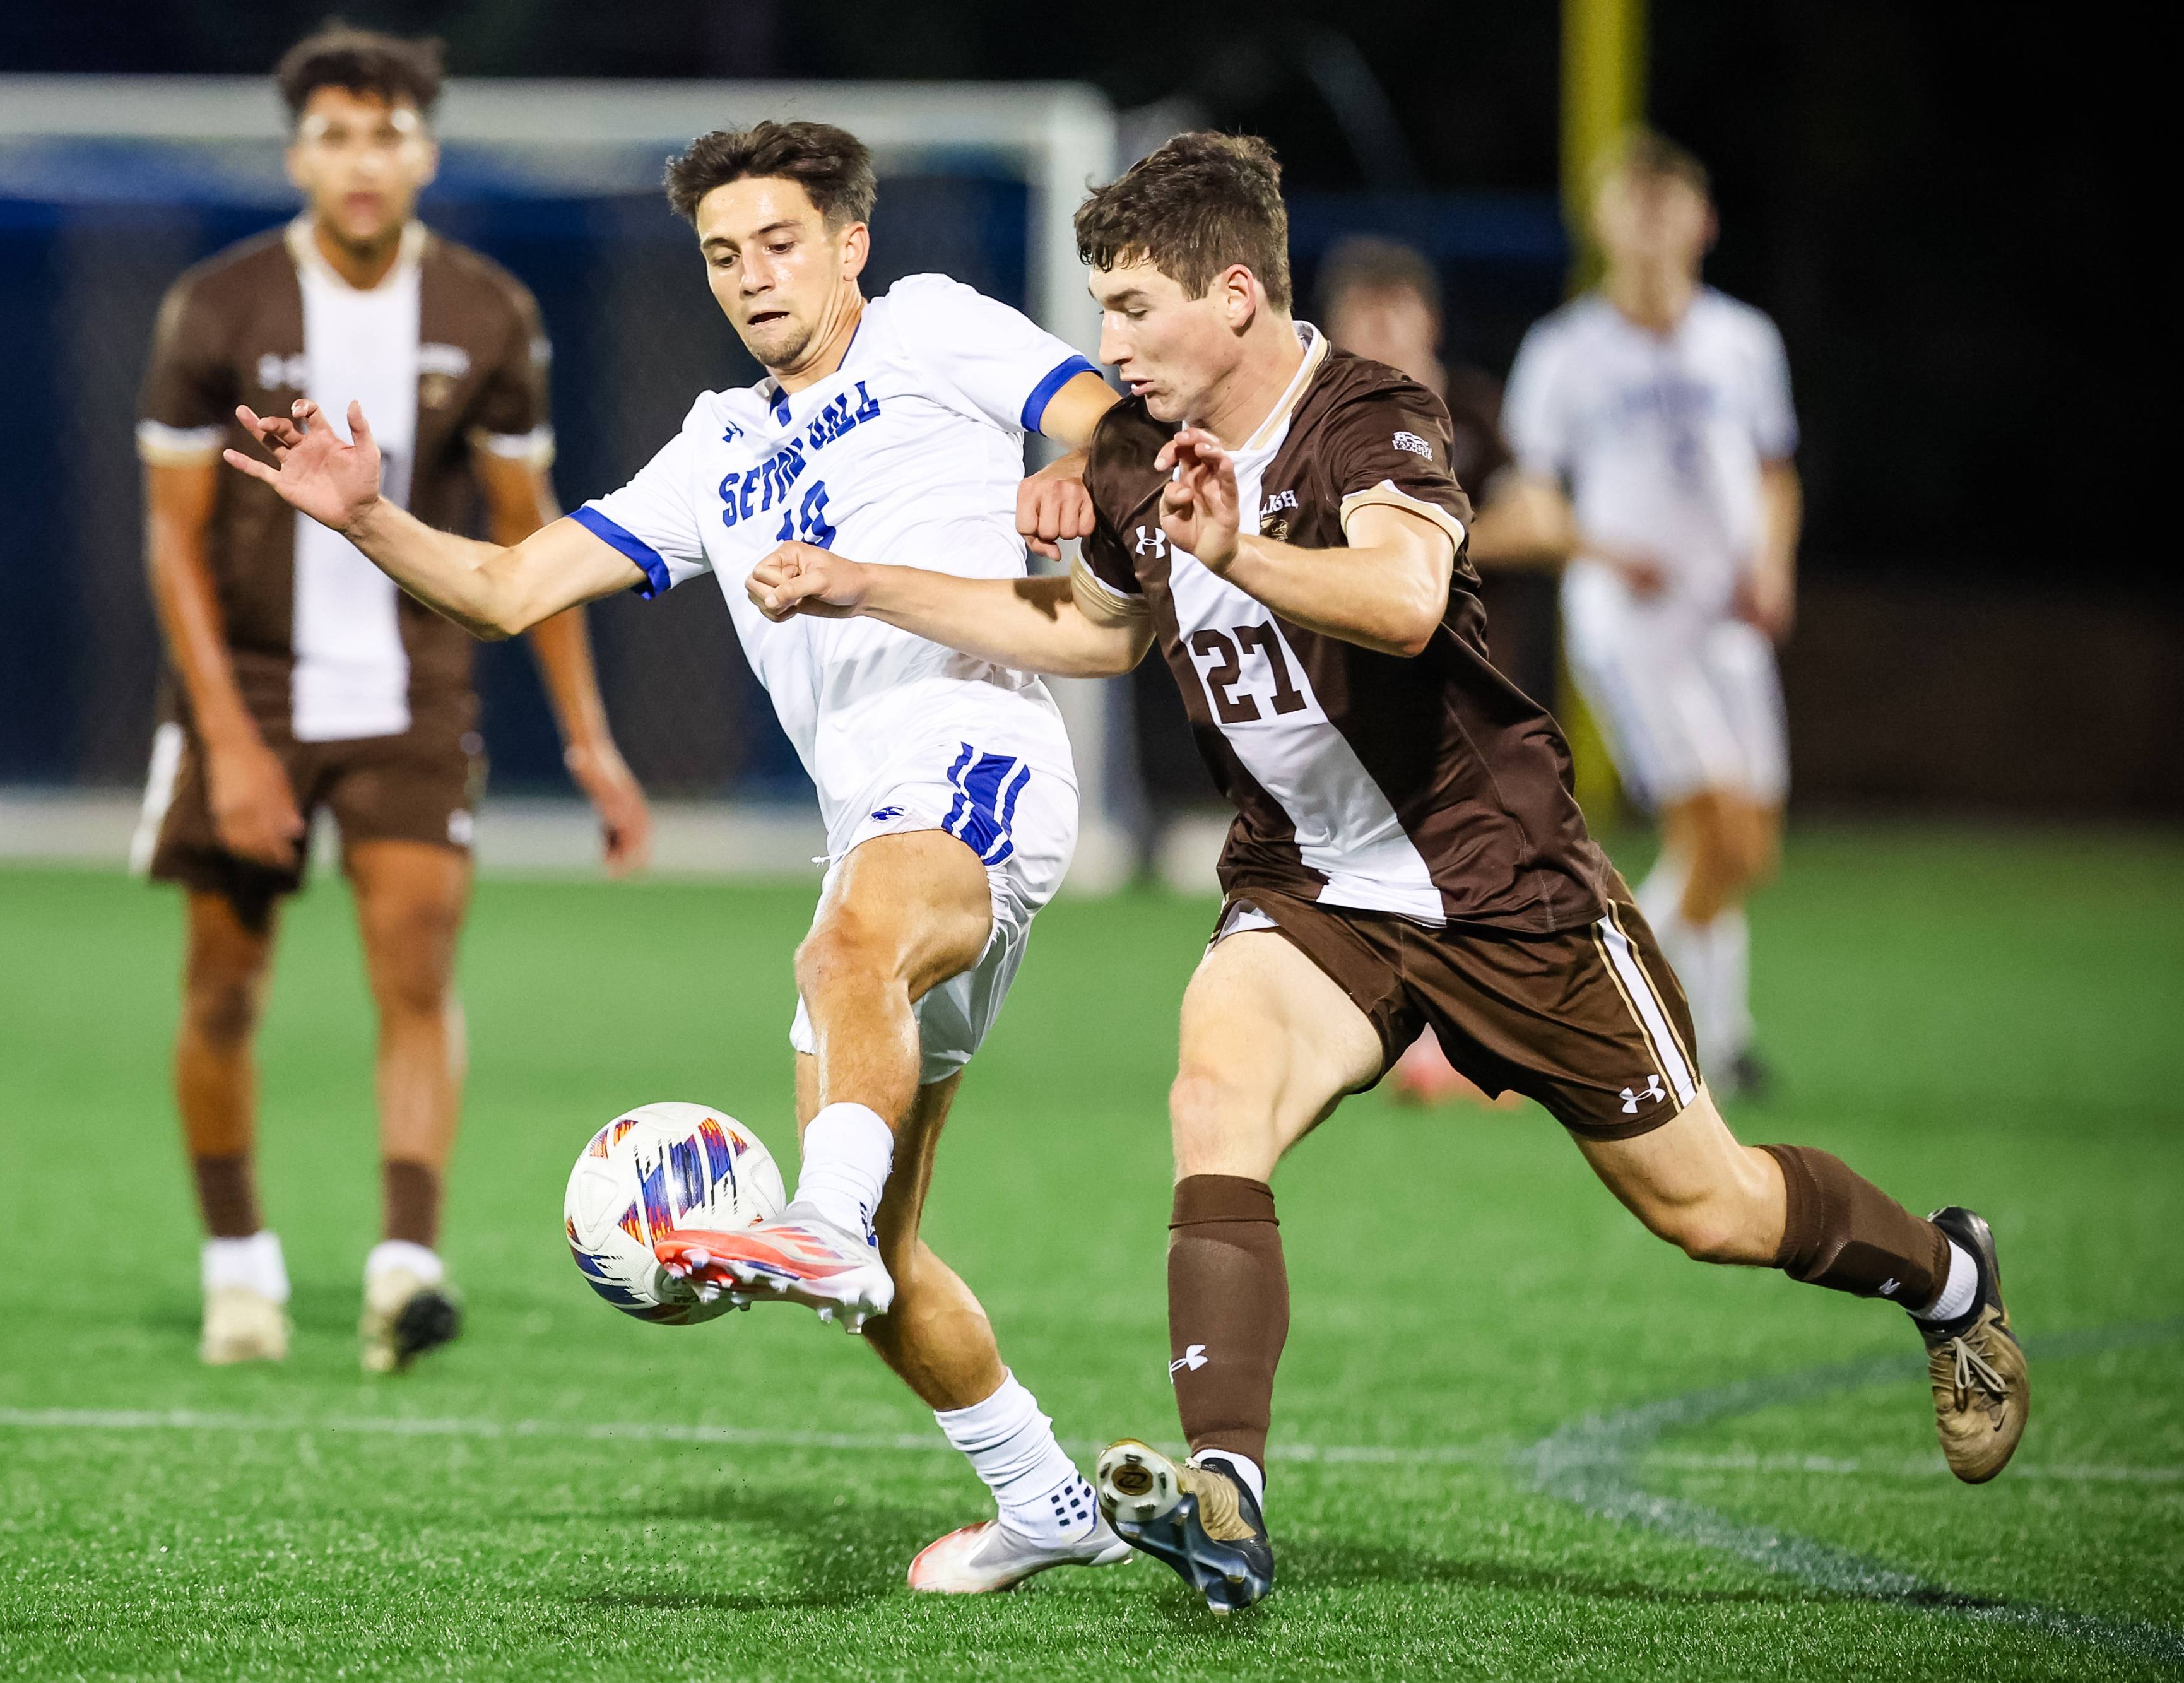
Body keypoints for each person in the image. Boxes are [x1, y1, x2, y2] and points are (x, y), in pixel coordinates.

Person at [740, 131, 2025, 1614]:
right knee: (1210, 1093)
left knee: (1711, 1206)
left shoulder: (1367, 411)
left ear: (1234, 297)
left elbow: (1407, 602)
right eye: (1100, 308)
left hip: (1495, 880)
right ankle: (1227, 1489)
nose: (1109, 346)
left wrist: (1242, 549)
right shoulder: (1128, 454)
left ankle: (1946, 1276)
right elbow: (1095, 631)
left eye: (1133, 308)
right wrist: (860, 581)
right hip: (1306, 880)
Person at [222, 120, 1134, 1593]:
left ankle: (815, 1218)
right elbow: (514, 587)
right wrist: (367, 516)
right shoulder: (718, 444)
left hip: (979, 758)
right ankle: (1042, 1496)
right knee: (889, 1265)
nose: (751, 277)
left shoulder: (929, 327)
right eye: (722, 255)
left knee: (840, 956)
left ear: (849, 244)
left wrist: (1078, 473)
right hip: (870, 825)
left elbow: (1101, 410)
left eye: (779, 243)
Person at [133, 25, 652, 1374]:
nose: (362, 161)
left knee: (415, 975)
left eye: (387, 134)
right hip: (246, 693)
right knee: (224, 989)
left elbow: (534, 542)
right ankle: (237, 1266)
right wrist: (228, 740)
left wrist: (592, 743)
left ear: (424, 149)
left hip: (417, 694)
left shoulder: (486, 313)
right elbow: (170, 542)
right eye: (335, 135)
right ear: (298, 151)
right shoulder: (218, 307)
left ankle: (404, 1263)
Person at [1501, 131, 1800, 1097]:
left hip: (1726, 617)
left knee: (1745, 846)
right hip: (1629, 620)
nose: (1651, 225)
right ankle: (1570, 1014)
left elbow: (1773, 469)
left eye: (1668, 204)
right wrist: (1602, 551)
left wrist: (1773, 563)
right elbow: (1534, 496)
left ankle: (1712, 1030)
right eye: (1633, 204)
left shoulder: (1745, 341)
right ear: (1602, 222)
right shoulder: (1566, 350)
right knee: (1709, 829)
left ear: (1702, 221)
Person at [1318, 235, 1570, 1107]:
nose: (1385, 326)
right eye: (1367, 309)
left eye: (1401, 308)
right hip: (1351, 696)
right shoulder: (1312, 418)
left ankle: (1475, 1051)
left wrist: (1421, 543)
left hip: (1475, 690)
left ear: (1430, 321)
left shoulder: (1468, 407)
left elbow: (1543, 522)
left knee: (1483, 871)